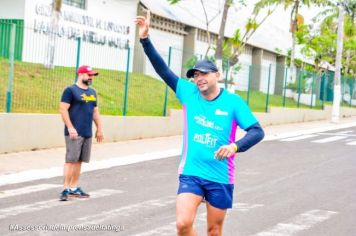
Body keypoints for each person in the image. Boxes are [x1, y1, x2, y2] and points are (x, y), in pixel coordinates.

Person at [135, 12, 264, 236]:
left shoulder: (233, 103)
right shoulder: (189, 93)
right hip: (191, 172)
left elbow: (257, 131)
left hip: (220, 176)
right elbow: (162, 70)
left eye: (204, 73)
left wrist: (234, 146)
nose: (199, 78)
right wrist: (145, 40)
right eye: (195, 75)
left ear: (217, 75)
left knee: (214, 231)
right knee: (183, 225)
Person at [59, 65, 104, 201]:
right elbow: (63, 109)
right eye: (89, 75)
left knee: (79, 161)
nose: (91, 78)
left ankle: (73, 188)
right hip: (74, 132)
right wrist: (70, 127)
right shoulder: (70, 90)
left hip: (87, 132)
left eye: (92, 76)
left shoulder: (92, 92)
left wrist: (99, 129)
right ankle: (65, 189)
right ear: (81, 75)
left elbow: (95, 111)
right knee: (70, 161)